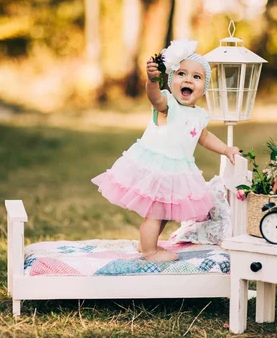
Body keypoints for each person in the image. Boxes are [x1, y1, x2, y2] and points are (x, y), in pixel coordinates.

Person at [92, 40, 241, 261]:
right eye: (182, 74)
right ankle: (150, 251)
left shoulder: (198, 115)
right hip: (157, 166)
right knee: (156, 212)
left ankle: (145, 245)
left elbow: (205, 137)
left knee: (164, 213)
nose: (189, 79)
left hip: (177, 170)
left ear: (204, 88)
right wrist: (152, 81)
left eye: (197, 77)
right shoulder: (167, 105)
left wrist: (226, 149)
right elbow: (155, 97)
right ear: (171, 80)